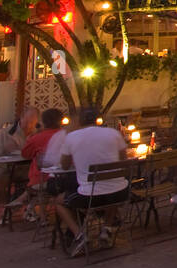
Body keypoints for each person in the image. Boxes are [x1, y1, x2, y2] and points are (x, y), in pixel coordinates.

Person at [54, 108, 129, 256]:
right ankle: (106, 229)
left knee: (58, 202)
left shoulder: (71, 137)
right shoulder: (114, 133)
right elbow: (123, 160)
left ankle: (79, 235)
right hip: (121, 193)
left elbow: (64, 165)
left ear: (80, 121)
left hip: (89, 197)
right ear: (97, 120)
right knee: (112, 186)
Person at [12, 108, 66, 221]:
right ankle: (31, 209)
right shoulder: (67, 135)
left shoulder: (36, 138)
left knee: (37, 182)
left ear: (43, 122)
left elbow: (25, 154)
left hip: (41, 180)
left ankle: (29, 208)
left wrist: (30, 139)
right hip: (65, 178)